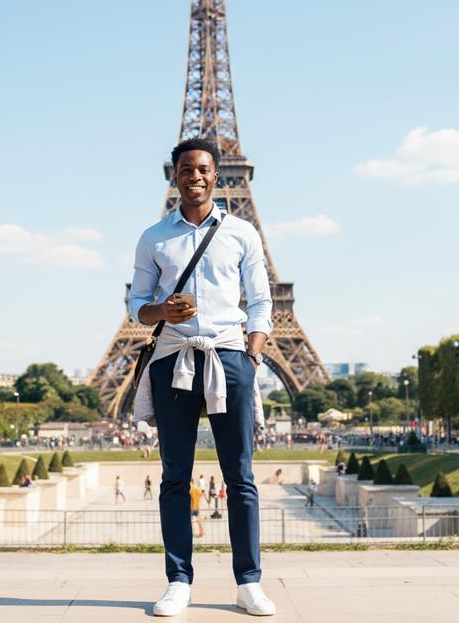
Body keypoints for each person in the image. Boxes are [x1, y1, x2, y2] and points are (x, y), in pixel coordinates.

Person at [130, 138, 275, 617]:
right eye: (186, 169)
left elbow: (259, 301)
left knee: (242, 477)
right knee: (175, 477)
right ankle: (178, 580)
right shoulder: (154, 237)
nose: (195, 176)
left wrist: (251, 356)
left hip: (229, 358)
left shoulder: (242, 233)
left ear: (218, 175)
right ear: (174, 176)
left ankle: (248, 581)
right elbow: (136, 307)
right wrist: (162, 311)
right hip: (174, 359)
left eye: (204, 169)